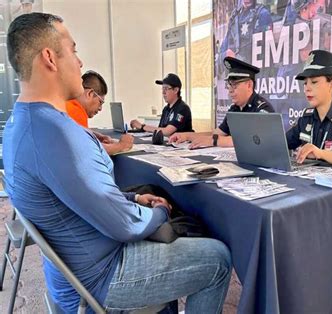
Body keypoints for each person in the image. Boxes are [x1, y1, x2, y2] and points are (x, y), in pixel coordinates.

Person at [4, 12, 231, 313]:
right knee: (217, 258)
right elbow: (125, 224)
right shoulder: (58, 134)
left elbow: (75, 194)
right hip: (99, 276)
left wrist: (133, 197)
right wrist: (159, 213)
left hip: (73, 266)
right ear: (50, 58)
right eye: (73, 49)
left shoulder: (19, 124)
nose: (80, 62)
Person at [170, 56, 274, 148]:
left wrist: (214, 141)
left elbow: (253, 140)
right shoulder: (235, 109)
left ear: (249, 85)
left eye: (234, 85)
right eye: (229, 85)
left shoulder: (262, 109)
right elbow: (216, 134)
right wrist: (186, 136)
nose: (230, 90)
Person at [66, 70, 134, 155]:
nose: (100, 108)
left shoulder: (67, 105)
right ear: (90, 94)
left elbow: (78, 130)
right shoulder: (76, 111)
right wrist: (121, 146)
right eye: (100, 102)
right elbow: (89, 150)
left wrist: (96, 135)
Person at [219, 0, 272, 65]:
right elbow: (220, 54)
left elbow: (265, 52)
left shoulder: (263, 14)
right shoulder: (235, 17)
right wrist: (226, 56)